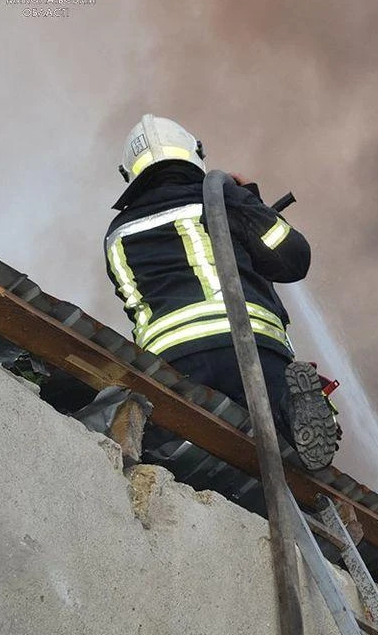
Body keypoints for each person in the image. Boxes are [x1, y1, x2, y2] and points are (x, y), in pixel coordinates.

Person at [104, 113, 338, 471]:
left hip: (171, 364)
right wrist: (250, 202)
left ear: (129, 175)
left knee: (186, 447)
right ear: (194, 152)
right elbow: (293, 259)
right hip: (249, 343)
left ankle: (182, 456)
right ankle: (292, 408)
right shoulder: (220, 197)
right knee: (287, 428)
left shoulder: (117, 234)